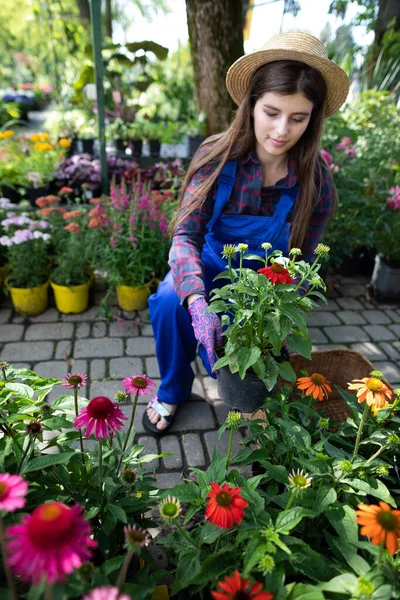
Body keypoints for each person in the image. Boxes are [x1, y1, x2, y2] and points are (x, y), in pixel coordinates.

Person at [142, 31, 350, 435]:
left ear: (314, 119)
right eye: (271, 112)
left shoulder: (315, 180)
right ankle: (172, 389)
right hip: (209, 263)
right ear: (252, 103)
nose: (281, 130)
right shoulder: (217, 158)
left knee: (254, 371)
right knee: (170, 302)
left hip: (264, 284)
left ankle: (242, 393)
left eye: (298, 118)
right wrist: (198, 301)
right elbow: (185, 235)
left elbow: (304, 261)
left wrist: (277, 314)